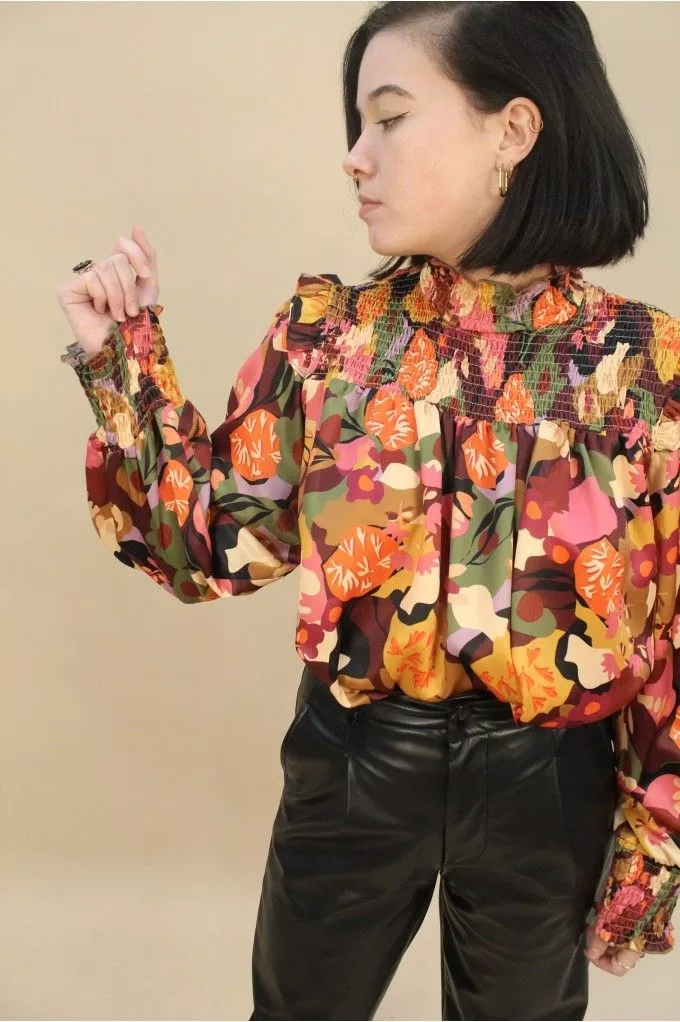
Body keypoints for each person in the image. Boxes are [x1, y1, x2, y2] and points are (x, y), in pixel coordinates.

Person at [56, 1, 680, 1018]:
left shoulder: (643, 370)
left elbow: (668, 626)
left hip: (546, 787)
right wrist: (123, 360)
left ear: (513, 130)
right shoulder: (328, 340)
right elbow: (208, 546)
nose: (355, 156)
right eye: (357, 124)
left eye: (389, 117)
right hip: (352, 762)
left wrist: (655, 837)